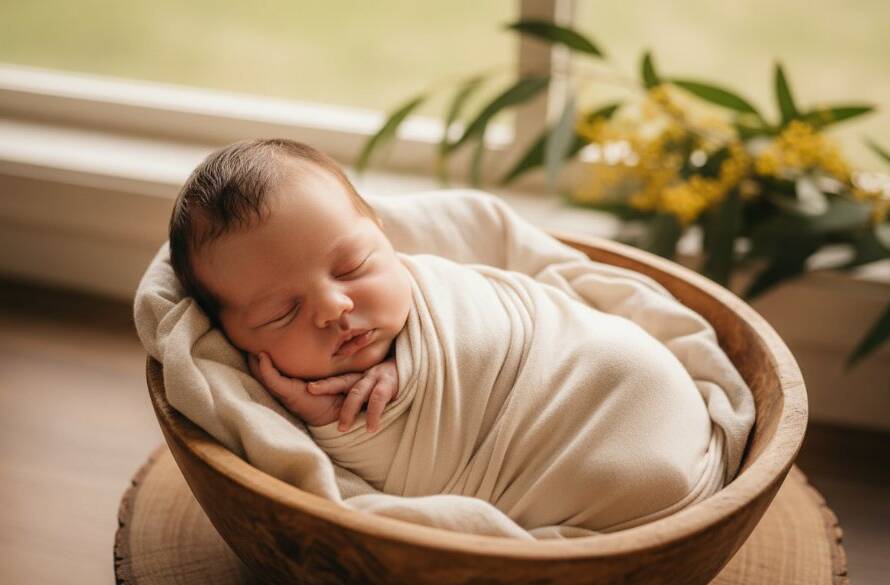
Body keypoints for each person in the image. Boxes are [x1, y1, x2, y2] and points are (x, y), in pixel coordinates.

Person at [169, 138, 406, 434]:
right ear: (231, 339)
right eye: (282, 313)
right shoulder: (296, 412)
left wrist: (411, 367)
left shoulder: (439, 286)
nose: (332, 308)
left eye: (351, 267)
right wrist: (330, 418)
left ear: (381, 232)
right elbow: (401, 475)